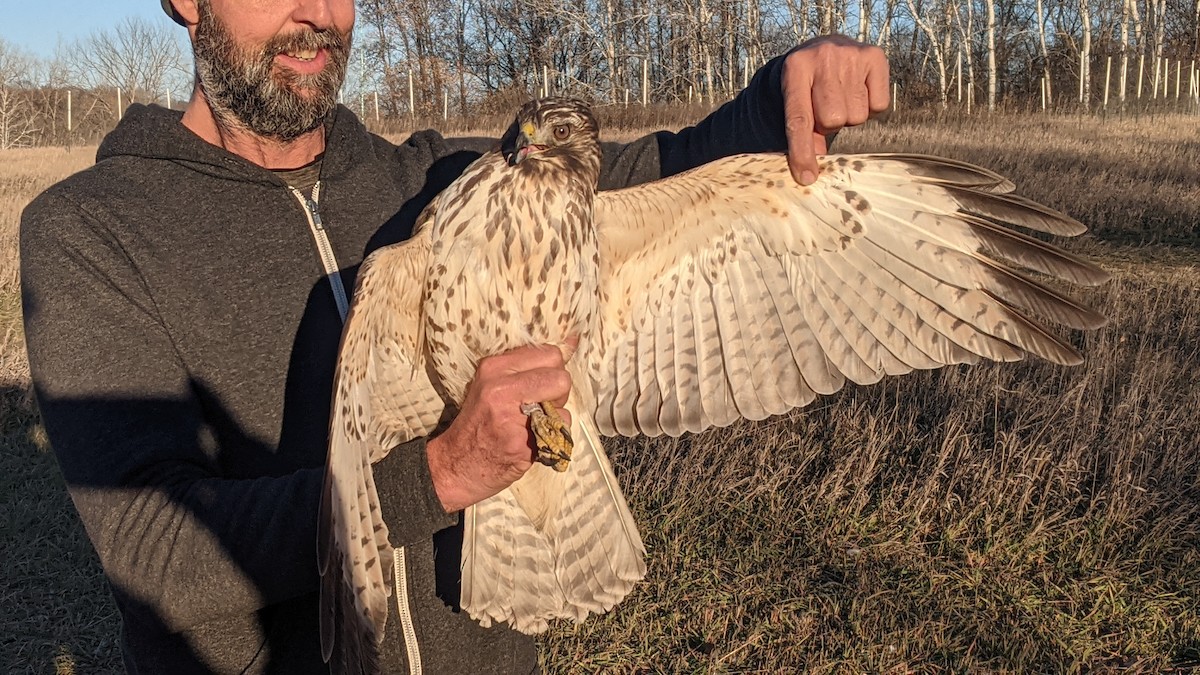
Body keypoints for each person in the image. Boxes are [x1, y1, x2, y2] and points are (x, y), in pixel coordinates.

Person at [20, 0, 889, 672]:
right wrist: (435, 476)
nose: (317, 15)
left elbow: (651, 173)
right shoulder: (91, 230)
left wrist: (781, 98)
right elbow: (155, 548)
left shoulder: (440, 178)